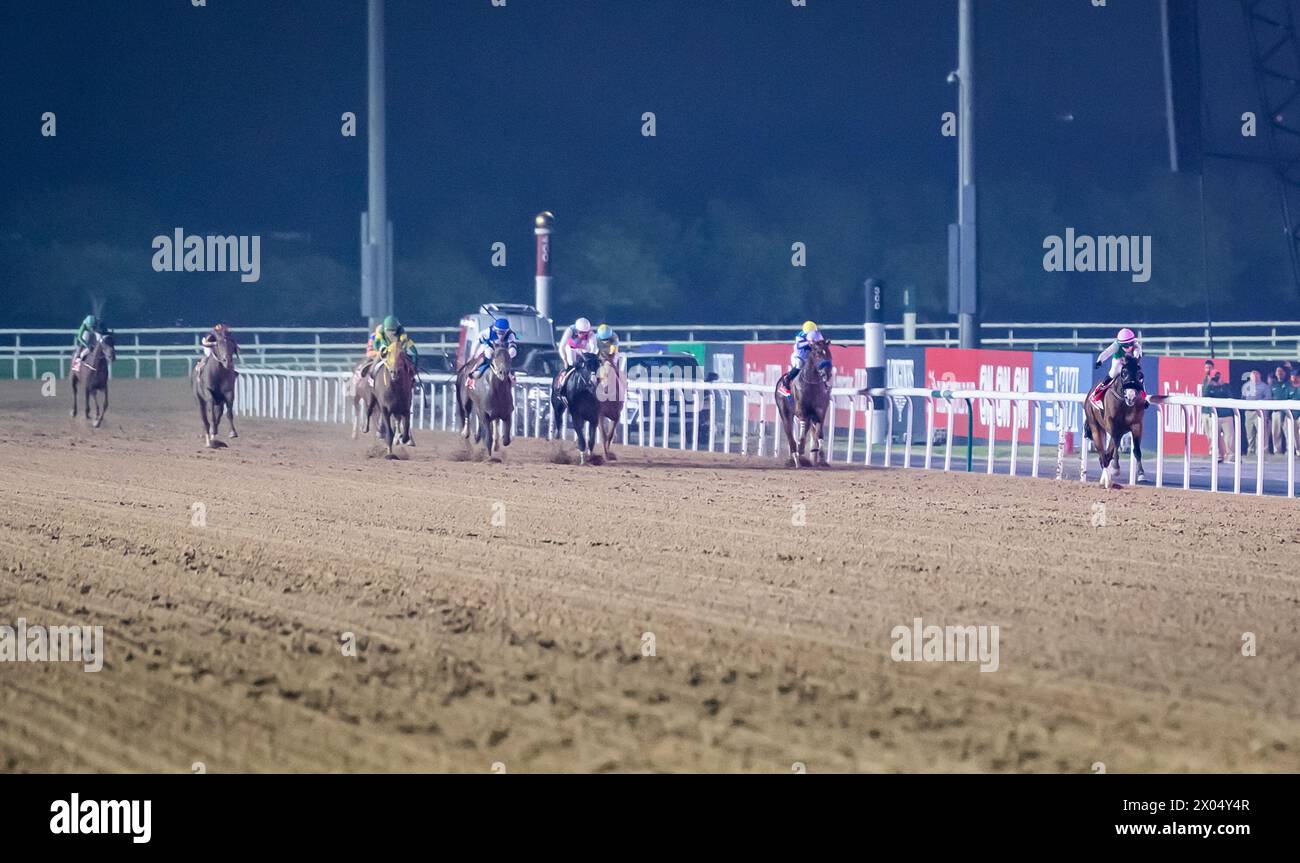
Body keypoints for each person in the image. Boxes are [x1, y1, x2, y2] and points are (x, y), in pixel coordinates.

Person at [1089, 327, 1143, 406]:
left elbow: (1137, 352)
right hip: (1119, 360)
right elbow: (1107, 353)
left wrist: (1135, 359)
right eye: (1127, 346)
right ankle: (1095, 395)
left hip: (1131, 362)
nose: (1130, 347)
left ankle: (1144, 397)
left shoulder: (1136, 345)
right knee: (1112, 374)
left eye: (1131, 344)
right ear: (1121, 345)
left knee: (1139, 376)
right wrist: (1099, 361)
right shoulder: (1116, 345)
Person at [554, 317, 597, 398]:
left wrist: (589, 360)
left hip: (583, 350)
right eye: (581, 332)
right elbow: (561, 347)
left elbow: (593, 349)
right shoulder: (570, 330)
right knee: (571, 362)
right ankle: (562, 385)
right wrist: (565, 360)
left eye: (585, 333)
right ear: (576, 330)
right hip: (571, 349)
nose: (583, 335)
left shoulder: (591, 334)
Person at [778, 321, 824, 396]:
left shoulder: (817, 336)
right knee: (799, 364)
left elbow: (821, 344)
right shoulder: (800, 336)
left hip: (810, 359)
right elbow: (799, 345)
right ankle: (786, 381)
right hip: (799, 357)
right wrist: (809, 343)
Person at [468, 317, 517, 387]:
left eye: (503, 333)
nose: (501, 335)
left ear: (507, 331)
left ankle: (509, 372)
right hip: (489, 346)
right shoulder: (488, 332)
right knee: (488, 353)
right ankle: (478, 369)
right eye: (499, 332)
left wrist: (509, 354)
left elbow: (513, 347)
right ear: (495, 330)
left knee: (512, 352)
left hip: (503, 350)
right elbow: (477, 342)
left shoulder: (511, 335)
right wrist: (472, 354)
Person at [367, 315, 417, 379]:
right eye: (388, 330)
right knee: (376, 360)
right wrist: (379, 351)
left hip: (398, 351)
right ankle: (371, 375)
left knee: (407, 362)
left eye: (393, 330)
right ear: (385, 328)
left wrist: (414, 365)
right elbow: (376, 344)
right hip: (386, 350)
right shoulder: (380, 331)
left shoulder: (402, 332)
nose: (390, 333)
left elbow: (414, 351)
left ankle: (412, 377)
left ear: (396, 328)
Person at [1204, 370, 1234, 463]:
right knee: (1214, 437)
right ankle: (1218, 455)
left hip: (1226, 415)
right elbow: (1205, 396)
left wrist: (1222, 385)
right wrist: (1209, 384)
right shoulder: (1209, 388)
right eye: (1214, 377)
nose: (1216, 379)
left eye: (1218, 376)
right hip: (1215, 416)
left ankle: (1231, 456)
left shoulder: (1225, 386)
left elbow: (1230, 396)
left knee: (1229, 437)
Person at [1242, 369, 1270, 455]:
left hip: (1260, 412)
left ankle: (1262, 452)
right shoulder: (1246, 386)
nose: (1255, 376)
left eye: (1256, 374)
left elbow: (1268, 398)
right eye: (1253, 375)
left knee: (1261, 433)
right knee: (1250, 433)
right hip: (1249, 413)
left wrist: (1258, 402)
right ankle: (1251, 451)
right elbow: (1243, 398)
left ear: (1259, 375)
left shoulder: (1265, 386)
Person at [1270, 366, 1290, 454]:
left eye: (1281, 371)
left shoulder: (1289, 384)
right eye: (1278, 371)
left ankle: (1289, 450)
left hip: (1286, 412)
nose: (1280, 373)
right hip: (1276, 412)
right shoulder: (1273, 385)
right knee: (1275, 432)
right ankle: (1277, 451)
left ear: (1285, 373)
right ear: (1275, 373)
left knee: (1288, 432)